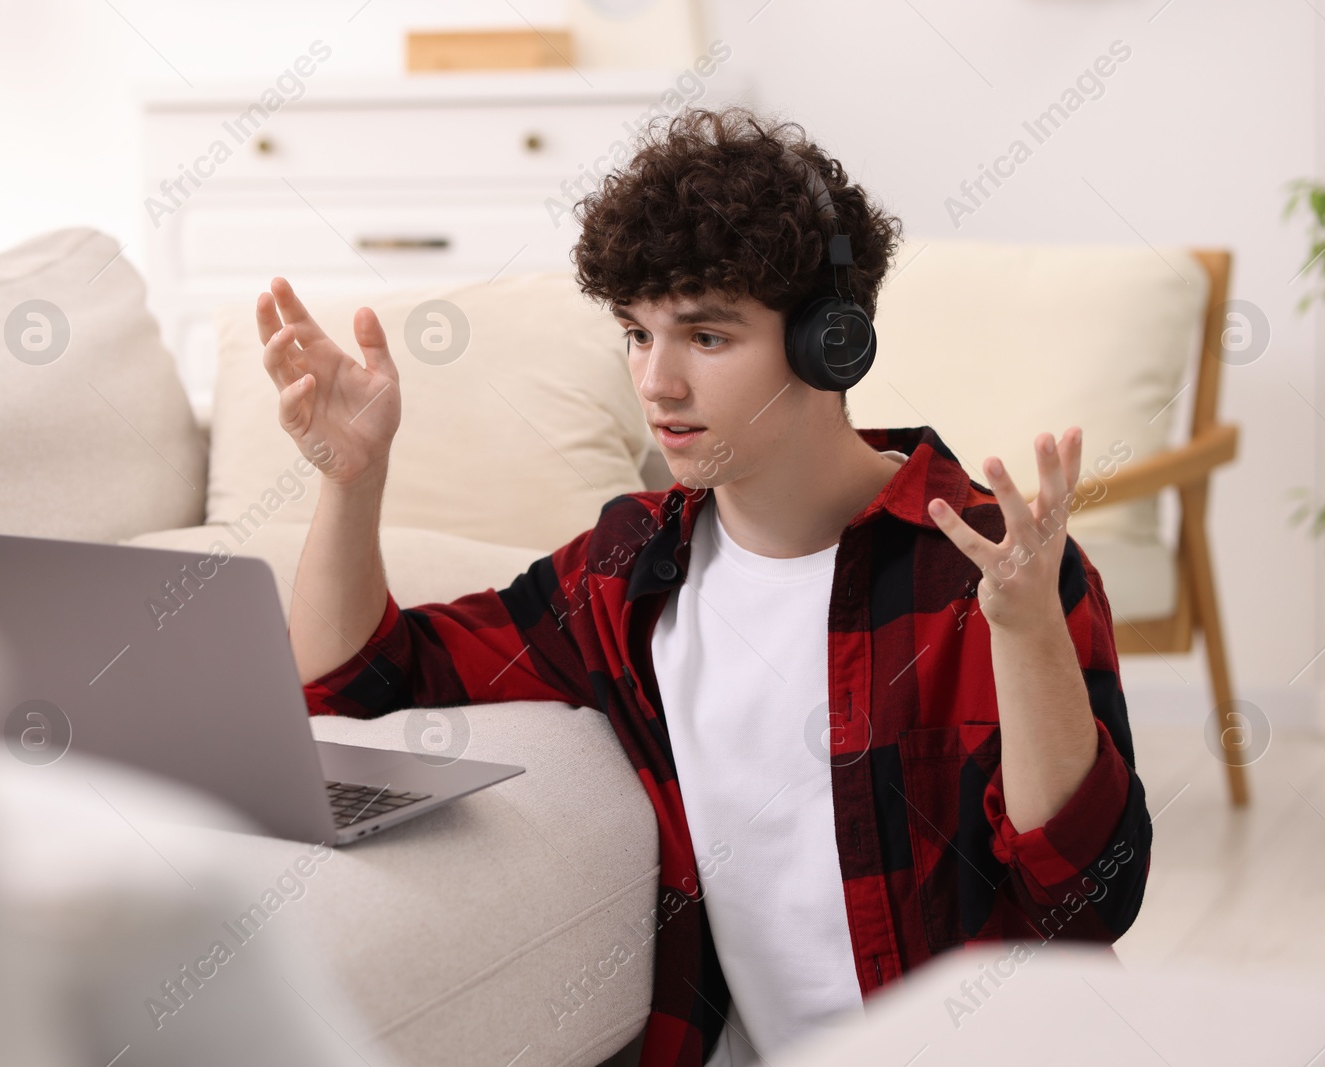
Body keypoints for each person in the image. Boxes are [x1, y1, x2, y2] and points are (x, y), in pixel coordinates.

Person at [255, 105, 1152, 1067]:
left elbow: (1086, 894)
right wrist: (353, 479)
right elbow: (354, 682)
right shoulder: (628, 570)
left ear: (830, 345)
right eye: (637, 334)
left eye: (706, 337)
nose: (657, 381)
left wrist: (1026, 636)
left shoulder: (986, 568)